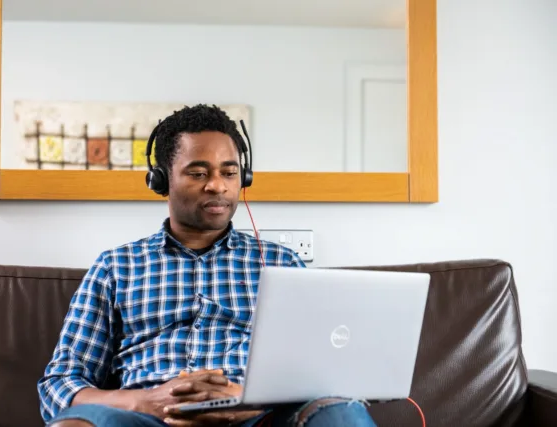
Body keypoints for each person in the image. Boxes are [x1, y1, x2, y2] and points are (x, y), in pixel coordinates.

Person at [37, 104, 378, 427]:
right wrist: (145, 400)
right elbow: (59, 384)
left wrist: (247, 399)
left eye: (229, 172)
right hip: (147, 418)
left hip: (257, 417)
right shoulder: (116, 267)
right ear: (160, 180)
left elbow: (322, 370)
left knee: (341, 414)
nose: (217, 185)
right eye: (198, 172)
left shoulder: (281, 264)